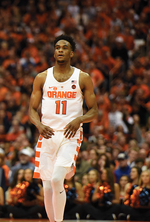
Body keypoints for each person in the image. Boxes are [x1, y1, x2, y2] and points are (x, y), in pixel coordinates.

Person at [29, 34, 98, 222]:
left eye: (64, 47)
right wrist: (39, 124)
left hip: (70, 135)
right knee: (48, 187)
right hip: (47, 134)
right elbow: (32, 111)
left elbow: (94, 111)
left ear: (72, 53)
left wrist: (80, 120)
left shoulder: (82, 77)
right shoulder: (42, 77)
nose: (60, 50)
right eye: (57, 47)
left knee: (57, 179)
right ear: (54, 52)